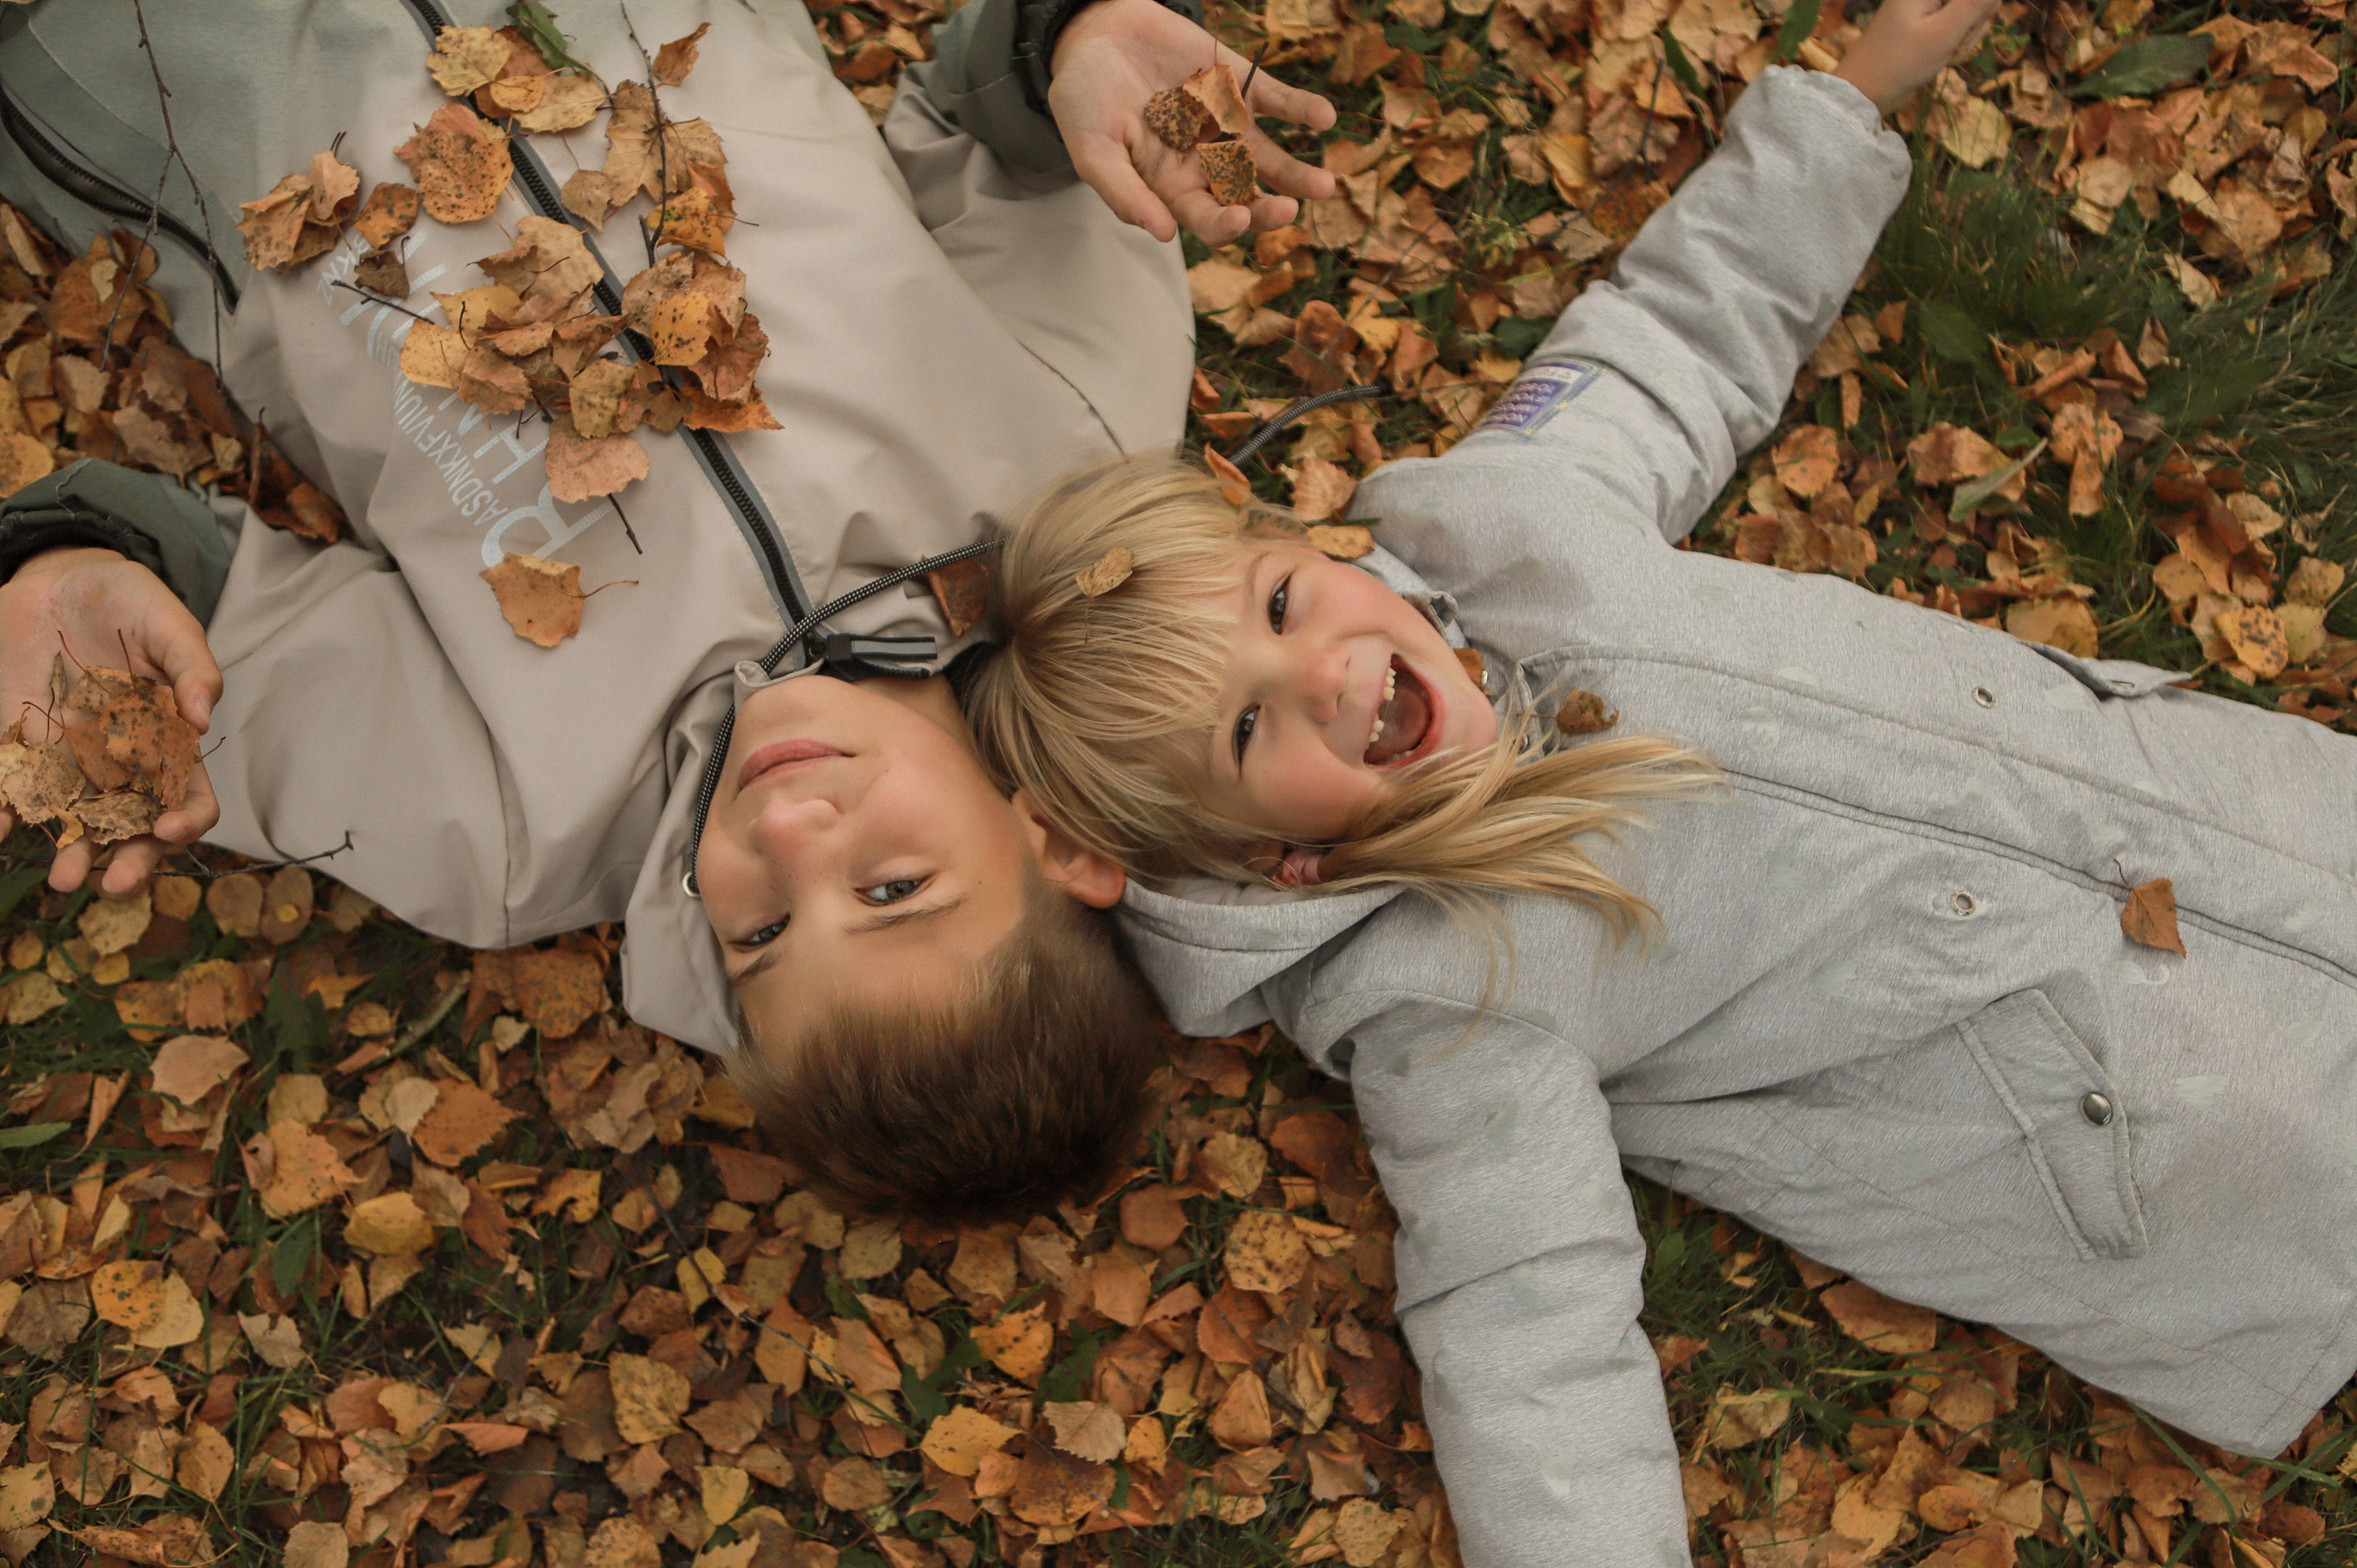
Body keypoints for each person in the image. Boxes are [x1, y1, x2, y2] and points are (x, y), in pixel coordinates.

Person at [967, 4, 2357, 1565]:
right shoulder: (1448, 996)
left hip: (2251, 816)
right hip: (2227, 1138)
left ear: (1315, 553)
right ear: (1271, 863)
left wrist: (1859, 90)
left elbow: (1681, 334)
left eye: (1283, 611)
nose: (1331, 675)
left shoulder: (1508, 521)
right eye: (1248, 733)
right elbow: (1529, 1323)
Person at [0, 0, 1334, 1221]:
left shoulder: (520, 821)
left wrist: (83, 575)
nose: (789, 838)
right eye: (890, 885)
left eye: (759, 936)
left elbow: (235, 657)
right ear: (1058, 850)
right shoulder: (1072, 474)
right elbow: (998, 138)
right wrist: (1071, 54)